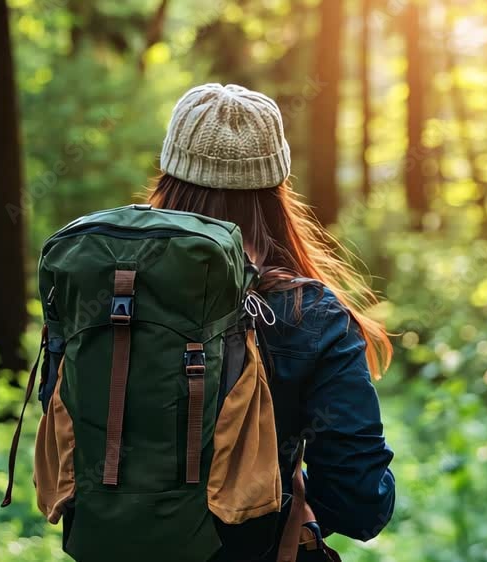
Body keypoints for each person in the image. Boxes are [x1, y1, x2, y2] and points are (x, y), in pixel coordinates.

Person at [147, 83, 396, 560]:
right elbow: (361, 505)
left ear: (170, 173)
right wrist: (289, 492)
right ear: (277, 185)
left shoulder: (112, 290)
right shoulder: (312, 315)